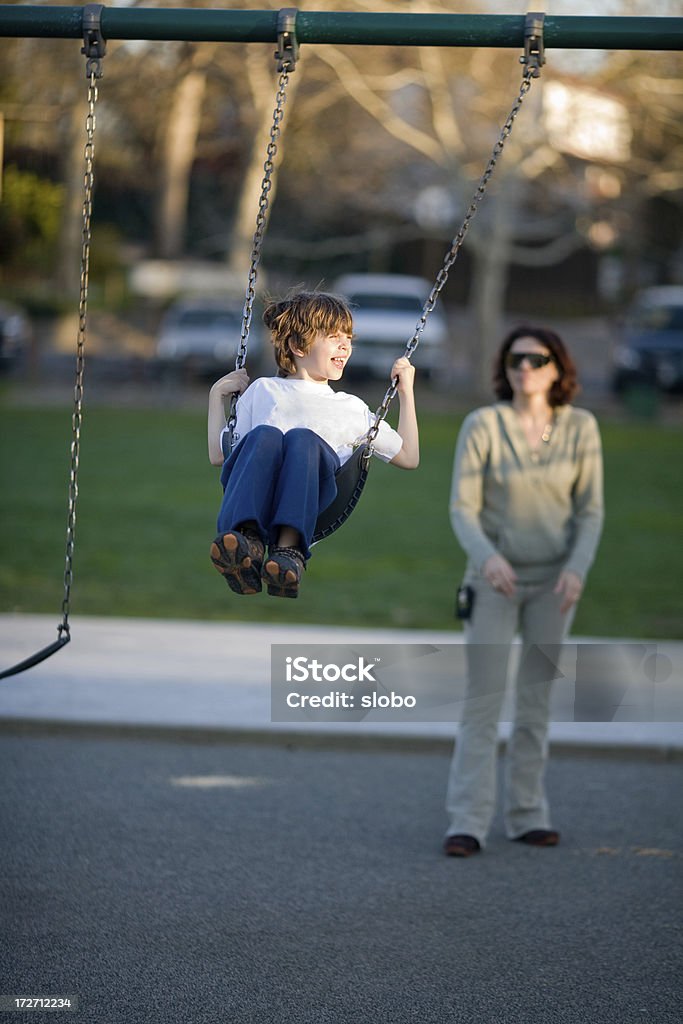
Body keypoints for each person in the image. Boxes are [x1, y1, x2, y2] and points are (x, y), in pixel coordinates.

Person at [444, 325, 604, 857]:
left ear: (558, 368)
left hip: (554, 585)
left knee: (537, 704)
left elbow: (590, 511)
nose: (526, 368)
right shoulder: (483, 424)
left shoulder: (581, 428)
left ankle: (528, 813)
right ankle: (466, 822)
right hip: (493, 581)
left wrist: (577, 568)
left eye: (537, 359)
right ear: (505, 367)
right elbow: (462, 508)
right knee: (483, 703)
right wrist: (486, 557)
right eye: (516, 359)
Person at [207, 290, 419, 598]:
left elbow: (409, 456)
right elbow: (221, 454)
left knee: (302, 440)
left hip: (313, 502)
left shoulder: (351, 408)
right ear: (297, 346)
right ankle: (245, 546)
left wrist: (406, 392)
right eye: (333, 336)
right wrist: (217, 395)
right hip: (257, 496)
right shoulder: (262, 390)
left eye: (349, 338)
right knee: (264, 436)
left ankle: (289, 551)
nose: (345, 345)